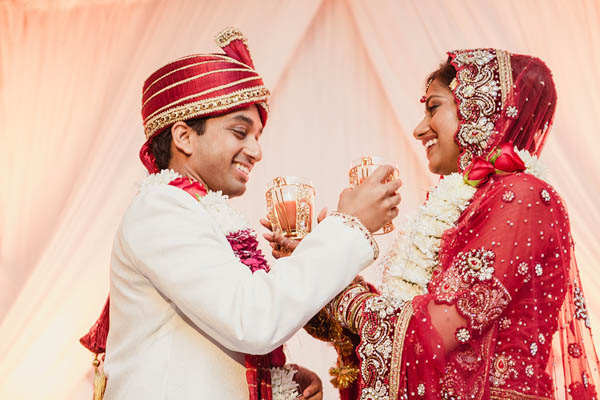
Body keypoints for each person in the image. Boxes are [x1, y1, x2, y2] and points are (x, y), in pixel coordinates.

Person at [79, 27, 402, 400]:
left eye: (257, 137)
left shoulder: (200, 212)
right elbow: (252, 319)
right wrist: (349, 226)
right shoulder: (161, 210)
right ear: (184, 137)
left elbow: (223, 326)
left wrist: (277, 378)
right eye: (239, 131)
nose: (255, 151)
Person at [267, 49, 600, 399]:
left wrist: (341, 285)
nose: (418, 129)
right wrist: (317, 263)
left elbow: (437, 329)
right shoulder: (465, 203)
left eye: (434, 108)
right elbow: (410, 324)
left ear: (481, 109)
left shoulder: (523, 196)